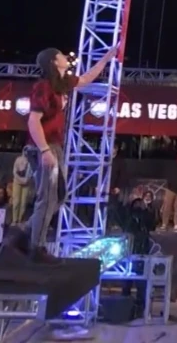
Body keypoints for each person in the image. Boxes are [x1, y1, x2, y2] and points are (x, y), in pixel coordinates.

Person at [25, 46, 117, 261]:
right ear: (53, 61)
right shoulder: (43, 87)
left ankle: (25, 232)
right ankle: (36, 247)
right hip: (43, 145)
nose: (66, 57)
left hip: (55, 145)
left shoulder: (62, 83)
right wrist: (44, 150)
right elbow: (33, 121)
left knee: (58, 195)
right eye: (61, 55)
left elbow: (86, 79)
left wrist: (106, 59)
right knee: (47, 197)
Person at [160, 153, 177, 232]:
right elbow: (168, 177)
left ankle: (176, 224)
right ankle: (164, 223)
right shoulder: (172, 167)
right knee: (167, 207)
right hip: (171, 189)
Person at [10, 148, 33, 225]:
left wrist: (26, 180)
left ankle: (20, 220)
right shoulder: (18, 159)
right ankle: (14, 220)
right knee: (16, 201)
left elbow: (32, 172)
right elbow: (14, 171)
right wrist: (20, 179)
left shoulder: (31, 161)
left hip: (27, 183)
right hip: (17, 182)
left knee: (23, 202)